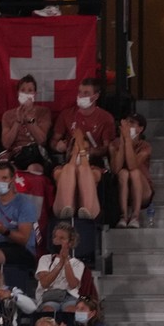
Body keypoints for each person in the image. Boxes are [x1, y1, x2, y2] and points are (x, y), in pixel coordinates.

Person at [50, 78, 115, 220]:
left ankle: (88, 209)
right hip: (70, 158)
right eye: (80, 92)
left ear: (96, 96)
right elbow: (54, 141)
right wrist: (58, 146)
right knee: (64, 172)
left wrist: (87, 150)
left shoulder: (105, 118)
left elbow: (107, 147)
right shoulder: (67, 114)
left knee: (86, 173)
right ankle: (66, 207)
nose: (81, 96)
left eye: (86, 93)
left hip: (93, 161)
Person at [0, 159, 38, 270]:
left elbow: (24, 239)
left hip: (23, 251)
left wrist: (4, 231)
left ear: (12, 179)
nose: (0, 181)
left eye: (4, 178)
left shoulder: (24, 204)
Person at [0, 74, 53, 174]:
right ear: (18, 93)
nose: (26, 93)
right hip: (15, 155)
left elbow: (42, 140)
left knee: (34, 169)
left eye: (30, 90)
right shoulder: (8, 115)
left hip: (36, 155)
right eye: (23, 90)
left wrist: (29, 119)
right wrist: (18, 121)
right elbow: (6, 144)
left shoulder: (44, 112)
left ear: (35, 94)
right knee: (8, 171)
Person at [109, 113, 153, 229]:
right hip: (123, 189)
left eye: (132, 123)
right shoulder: (114, 144)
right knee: (123, 173)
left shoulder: (145, 146)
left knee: (134, 172)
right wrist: (123, 141)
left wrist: (128, 139)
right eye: (126, 122)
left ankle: (135, 217)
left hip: (143, 190)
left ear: (140, 129)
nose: (128, 126)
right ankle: (123, 216)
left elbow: (132, 165)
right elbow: (115, 169)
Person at [35, 222, 84, 311]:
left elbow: (73, 285)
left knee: (73, 310)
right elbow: (44, 283)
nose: (57, 240)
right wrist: (60, 263)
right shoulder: (45, 259)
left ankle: (77, 325)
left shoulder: (78, 263)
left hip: (70, 297)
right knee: (49, 309)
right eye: (55, 237)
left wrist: (66, 261)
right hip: (49, 296)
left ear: (70, 242)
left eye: (62, 238)